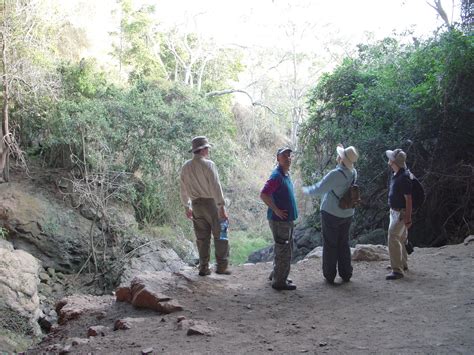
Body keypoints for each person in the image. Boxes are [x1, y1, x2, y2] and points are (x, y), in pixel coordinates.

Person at [302, 145, 359, 284]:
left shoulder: (335, 174)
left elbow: (319, 188)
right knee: (343, 243)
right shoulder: (354, 173)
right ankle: (346, 273)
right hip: (348, 213)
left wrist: (304, 190)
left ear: (342, 159)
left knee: (330, 244)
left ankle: (330, 274)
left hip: (331, 213)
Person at [180, 136, 231, 276]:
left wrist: (187, 206)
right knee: (220, 234)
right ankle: (221, 266)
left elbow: (183, 189)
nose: (208, 149)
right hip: (211, 204)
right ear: (202, 150)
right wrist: (221, 206)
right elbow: (216, 186)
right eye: (207, 147)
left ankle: (203, 267)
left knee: (202, 238)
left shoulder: (186, 167)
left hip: (196, 205)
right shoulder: (209, 165)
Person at [260, 147, 298, 291]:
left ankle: (279, 274)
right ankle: (279, 281)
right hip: (280, 221)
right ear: (278, 159)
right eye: (284, 156)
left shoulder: (285, 174)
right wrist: (276, 209)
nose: (288, 158)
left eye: (289, 155)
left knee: (284, 248)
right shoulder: (276, 176)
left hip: (286, 220)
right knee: (284, 250)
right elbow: (264, 194)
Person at [385, 148, 412, 280]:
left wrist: (407, 217)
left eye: (390, 159)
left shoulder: (403, 177)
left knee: (392, 237)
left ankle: (397, 270)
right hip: (395, 212)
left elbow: (409, 199)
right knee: (400, 238)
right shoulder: (398, 174)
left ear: (394, 162)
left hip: (400, 213)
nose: (388, 161)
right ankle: (402, 264)